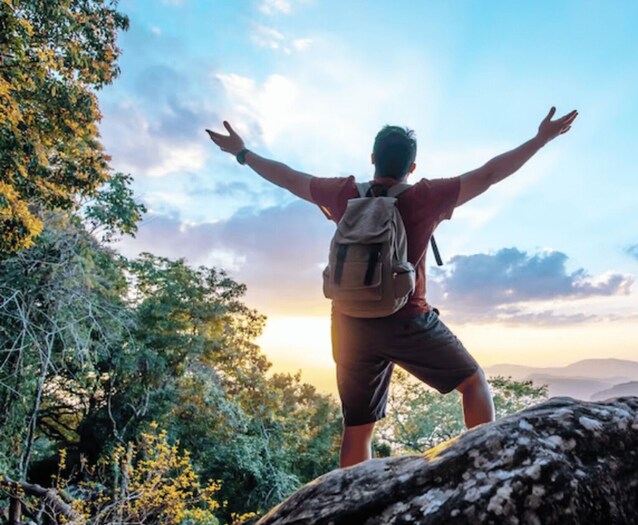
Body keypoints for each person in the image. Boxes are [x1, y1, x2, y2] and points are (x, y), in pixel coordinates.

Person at [206, 106, 578, 467]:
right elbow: (490, 173)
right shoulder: (425, 196)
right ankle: (487, 471)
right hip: (409, 320)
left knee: (357, 430)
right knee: (474, 383)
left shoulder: (345, 193)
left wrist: (242, 152)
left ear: (372, 158)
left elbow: (287, 177)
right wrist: (540, 140)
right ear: (411, 167)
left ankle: (349, 508)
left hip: (350, 324)